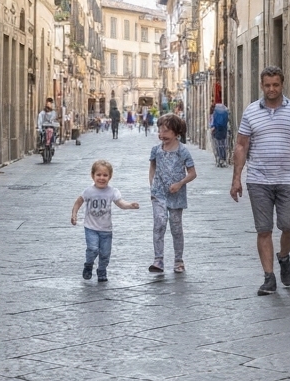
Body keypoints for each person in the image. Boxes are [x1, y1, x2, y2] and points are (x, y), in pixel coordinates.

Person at [230, 66, 290, 296]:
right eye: (267, 85)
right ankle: (269, 278)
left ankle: (283, 256)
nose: (271, 89)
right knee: (264, 229)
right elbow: (241, 145)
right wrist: (236, 178)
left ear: (282, 84)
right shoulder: (250, 112)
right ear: (262, 86)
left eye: (275, 85)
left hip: (288, 179)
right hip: (258, 180)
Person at [71, 159, 139, 281]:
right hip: (90, 228)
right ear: (93, 176)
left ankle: (102, 270)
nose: (101, 178)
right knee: (93, 249)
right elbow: (78, 202)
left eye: (105, 175)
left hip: (106, 229)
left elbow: (120, 203)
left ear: (110, 177)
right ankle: (88, 264)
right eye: (98, 175)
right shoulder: (88, 191)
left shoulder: (112, 191)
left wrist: (130, 205)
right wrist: (74, 214)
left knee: (105, 253)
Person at [147, 114, 197, 274]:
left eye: (166, 131)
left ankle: (178, 260)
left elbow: (192, 173)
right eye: (160, 130)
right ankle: (158, 260)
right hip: (159, 194)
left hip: (176, 195)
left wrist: (180, 183)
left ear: (176, 133)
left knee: (176, 228)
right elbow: (152, 167)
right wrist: (152, 185)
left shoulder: (182, 151)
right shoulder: (156, 150)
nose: (162, 135)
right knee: (159, 224)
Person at [210, 101, 230, 166]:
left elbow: (212, 124)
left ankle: (219, 158)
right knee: (223, 145)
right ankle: (224, 159)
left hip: (216, 131)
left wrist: (212, 128)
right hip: (224, 130)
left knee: (217, 145)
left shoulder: (214, 113)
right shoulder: (224, 111)